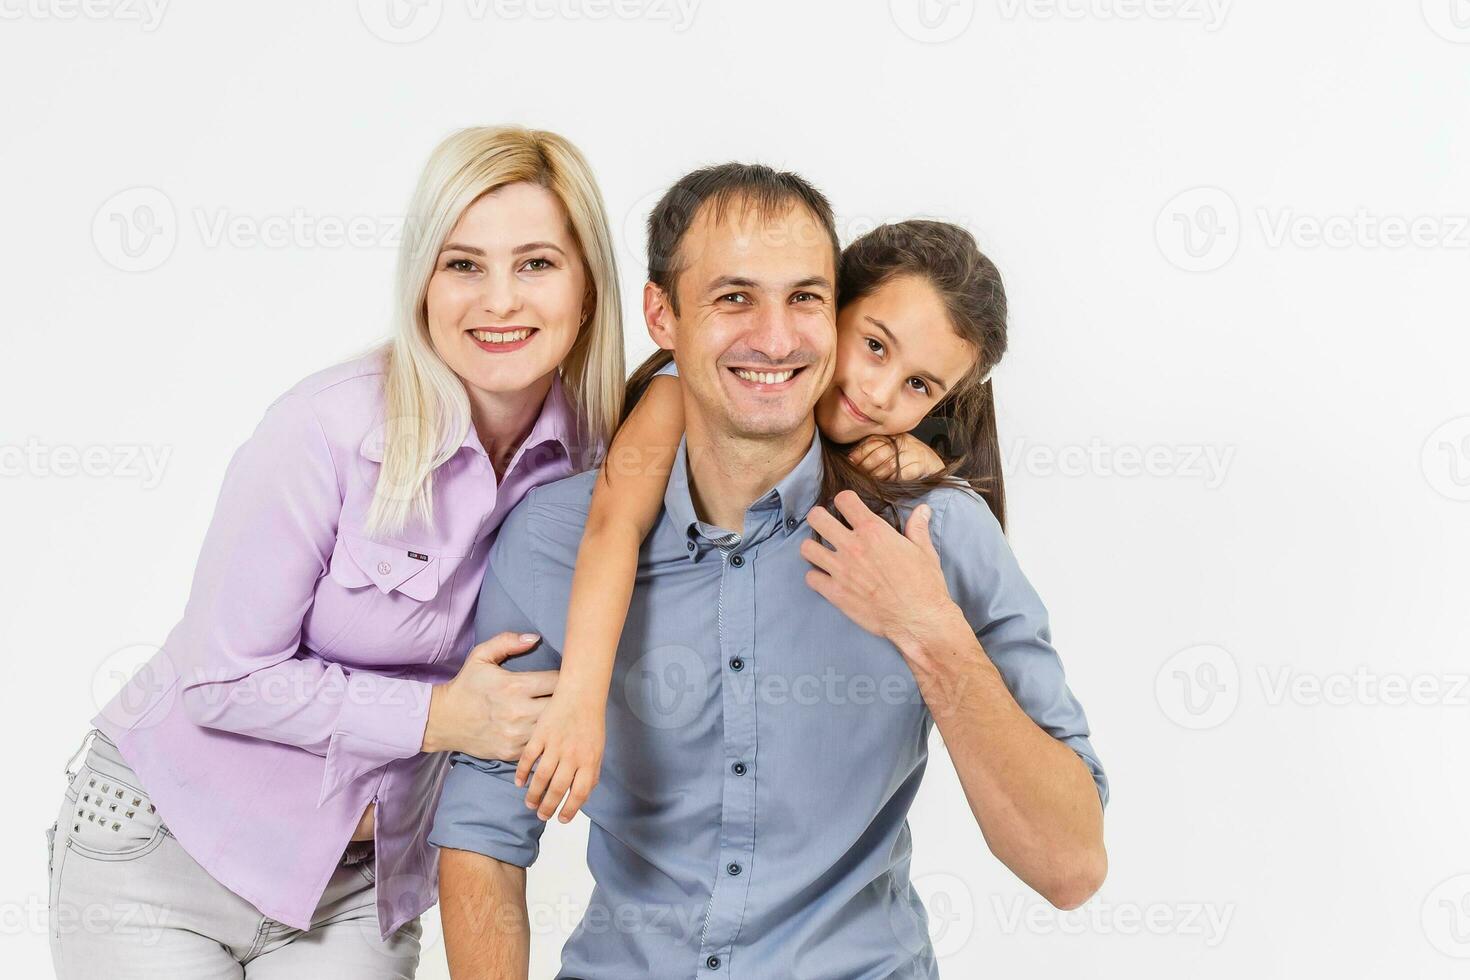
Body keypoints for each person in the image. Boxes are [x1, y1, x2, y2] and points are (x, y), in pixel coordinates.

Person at [429, 163, 1108, 979]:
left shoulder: (936, 533)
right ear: (662, 315)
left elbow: (1070, 868)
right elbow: (484, 833)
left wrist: (928, 629)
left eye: (803, 299)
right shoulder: (551, 538)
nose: (778, 338)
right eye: (734, 297)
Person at [45, 124, 625, 978]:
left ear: (588, 289)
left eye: (536, 263)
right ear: (423, 282)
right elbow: (221, 678)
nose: (499, 299)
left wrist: (891, 453)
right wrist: (438, 717)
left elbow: (735, 435)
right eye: (463, 264)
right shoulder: (327, 427)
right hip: (162, 846)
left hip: (354, 881)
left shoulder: (604, 462)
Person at [513, 217, 1009, 824]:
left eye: (918, 385)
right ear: (826, 308)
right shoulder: (680, 396)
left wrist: (924, 454)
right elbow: (612, 527)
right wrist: (579, 702)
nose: (879, 394)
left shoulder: (911, 480)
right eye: (874, 346)